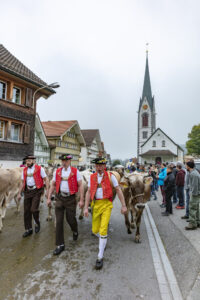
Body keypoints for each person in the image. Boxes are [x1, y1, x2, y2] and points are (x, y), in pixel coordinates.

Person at [84, 157, 127, 270]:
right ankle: (103, 239)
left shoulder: (110, 176)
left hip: (107, 205)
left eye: (101, 166)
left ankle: (100, 256)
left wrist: (123, 205)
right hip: (95, 205)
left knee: (103, 229)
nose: (98, 168)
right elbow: (88, 192)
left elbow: (118, 190)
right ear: (95, 167)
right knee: (94, 230)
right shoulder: (92, 177)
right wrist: (85, 207)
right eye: (97, 166)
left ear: (104, 166)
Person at [47, 154, 84, 255]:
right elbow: (53, 185)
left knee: (70, 219)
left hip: (71, 199)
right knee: (58, 221)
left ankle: (75, 230)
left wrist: (81, 200)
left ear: (70, 161)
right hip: (59, 198)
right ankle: (60, 244)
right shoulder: (57, 171)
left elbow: (80, 186)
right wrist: (49, 197)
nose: (64, 162)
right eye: (63, 161)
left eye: (66, 161)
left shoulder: (76, 172)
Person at [17, 155, 49, 237]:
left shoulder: (40, 168)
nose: (27, 162)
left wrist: (47, 191)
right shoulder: (24, 170)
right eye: (27, 161)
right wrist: (19, 193)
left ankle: (37, 223)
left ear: (34, 161)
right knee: (26, 211)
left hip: (37, 190)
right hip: (27, 191)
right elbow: (22, 182)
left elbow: (46, 179)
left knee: (34, 209)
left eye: (29, 161)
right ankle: (29, 229)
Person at [185, 161, 200, 230]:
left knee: (192, 208)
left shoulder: (193, 174)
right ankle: (197, 222)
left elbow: (195, 186)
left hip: (195, 194)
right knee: (196, 208)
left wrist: (192, 194)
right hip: (196, 193)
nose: (185, 167)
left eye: (186, 165)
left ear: (188, 166)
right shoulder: (194, 172)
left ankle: (192, 224)